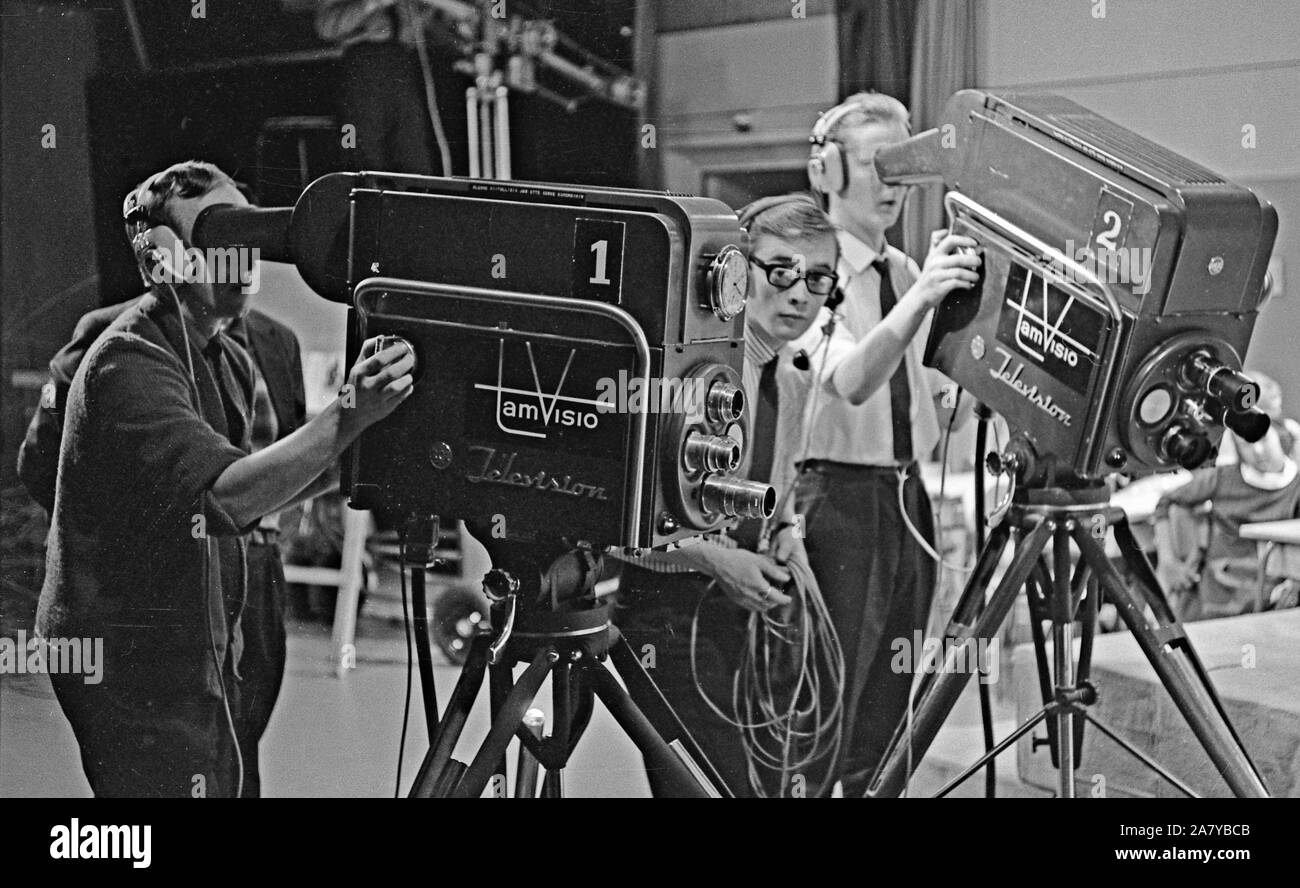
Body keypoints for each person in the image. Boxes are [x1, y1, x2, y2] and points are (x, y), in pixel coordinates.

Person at [35, 160, 414, 797]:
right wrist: (349, 412)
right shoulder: (126, 359)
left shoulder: (223, 353)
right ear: (162, 260)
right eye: (217, 235)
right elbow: (225, 496)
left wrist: (367, 449)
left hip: (202, 628)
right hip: (131, 660)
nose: (241, 254)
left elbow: (260, 489)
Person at [18, 294, 306, 798]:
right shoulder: (113, 337)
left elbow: (295, 447)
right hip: (155, 592)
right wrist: (131, 533)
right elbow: (46, 463)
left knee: (235, 756)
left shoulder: (276, 342)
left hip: (252, 575)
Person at [612, 192, 839, 797]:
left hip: (741, 610)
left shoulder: (790, 377)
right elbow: (627, 517)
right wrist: (714, 557)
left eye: (817, 278)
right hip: (667, 608)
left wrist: (787, 534)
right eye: (781, 270)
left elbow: (782, 491)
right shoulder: (689, 371)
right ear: (739, 268)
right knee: (708, 785)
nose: (798, 293)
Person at [791, 92, 981, 796]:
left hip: (908, 497)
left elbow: (943, 413)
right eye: (877, 164)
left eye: (906, 165)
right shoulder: (807, 269)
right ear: (829, 171)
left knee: (891, 708)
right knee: (828, 705)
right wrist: (923, 297)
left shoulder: (905, 274)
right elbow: (850, 379)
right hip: (835, 504)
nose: (895, 183)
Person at [1155, 425, 1300, 621]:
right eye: (1246, 445)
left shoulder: (1295, 485)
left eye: (1264, 439)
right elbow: (1166, 501)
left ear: (1281, 438)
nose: (1258, 450)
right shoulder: (1223, 477)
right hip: (1222, 585)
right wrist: (1167, 561)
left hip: (1274, 582)